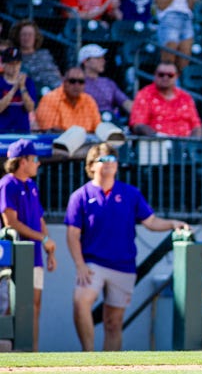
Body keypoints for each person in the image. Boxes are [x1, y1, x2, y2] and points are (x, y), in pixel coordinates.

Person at [65, 142, 189, 351]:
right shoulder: (80, 196)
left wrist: (172, 224)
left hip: (124, 265)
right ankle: (88, 357)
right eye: (103, 159)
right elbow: (72, 234)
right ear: (91, 165)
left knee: (114, 323)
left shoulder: (130, 193)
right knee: (81, 302)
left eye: (112, 159)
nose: (109, 163)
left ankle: (109, 369)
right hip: (93, 263)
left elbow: (151, 222)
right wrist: (79, 264)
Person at [0, 139, 57, 352]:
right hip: (14, 257)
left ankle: (31, 354)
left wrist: (48, 246)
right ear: (22, 161)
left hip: (34, 256)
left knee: (34, 308)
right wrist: (43, 239)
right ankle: (11, 354)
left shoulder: (31, 186)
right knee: (12, 307)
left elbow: (39, 219)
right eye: (35, 159)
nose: (38, 163)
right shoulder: (7, 183)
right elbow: (11, 222)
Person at [129, 62, 202, 137]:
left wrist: (193, 144)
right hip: (154, 144)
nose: (165, 78)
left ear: (177, 76)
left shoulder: (185, 97)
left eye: (170, 75)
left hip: (184, 145)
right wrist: (157, 137)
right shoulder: (144, 95)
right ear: (155, 74)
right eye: (161, 74)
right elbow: (138, 125)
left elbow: (196, 125)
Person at [35, 67, 101, 133]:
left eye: (81, 82)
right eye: (72, 81)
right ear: (64, 82)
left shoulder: (89, 101)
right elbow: (49, 131)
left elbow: (98, 129)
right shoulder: (50, 99)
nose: (76, 85)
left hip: (87, 142)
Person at [79, 44, 133, 122]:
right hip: (86, 121)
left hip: (109, 121)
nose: (103, 61)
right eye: (98, 58)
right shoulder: (76, 82)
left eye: (103, 58)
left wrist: (139, 112)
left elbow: (125, 102)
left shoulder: (108, 83)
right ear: (85, 61)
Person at [8, 20, 62, 91]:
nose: (27, 38)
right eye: (24, 34)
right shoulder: (15, 56)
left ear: (35, 37)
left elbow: (56, 71)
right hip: (38, 91)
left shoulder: (45, 53)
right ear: (18, 37)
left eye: (30, 35)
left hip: (59, 87)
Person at [155, 0, 198, 72]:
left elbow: (190, 6)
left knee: (185, 58)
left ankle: (179, 82)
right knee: (169, 57)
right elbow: (161, 5)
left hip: (187, 17)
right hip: (169, 16)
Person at [0, 47, 37, 133]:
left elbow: (30, 108)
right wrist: (14, 89)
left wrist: (22, 87)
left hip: (23, 131)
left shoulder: (28, 82)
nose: (14, 67)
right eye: (11, 64)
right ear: (3, 64)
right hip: (2, 132)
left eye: (17, 63)